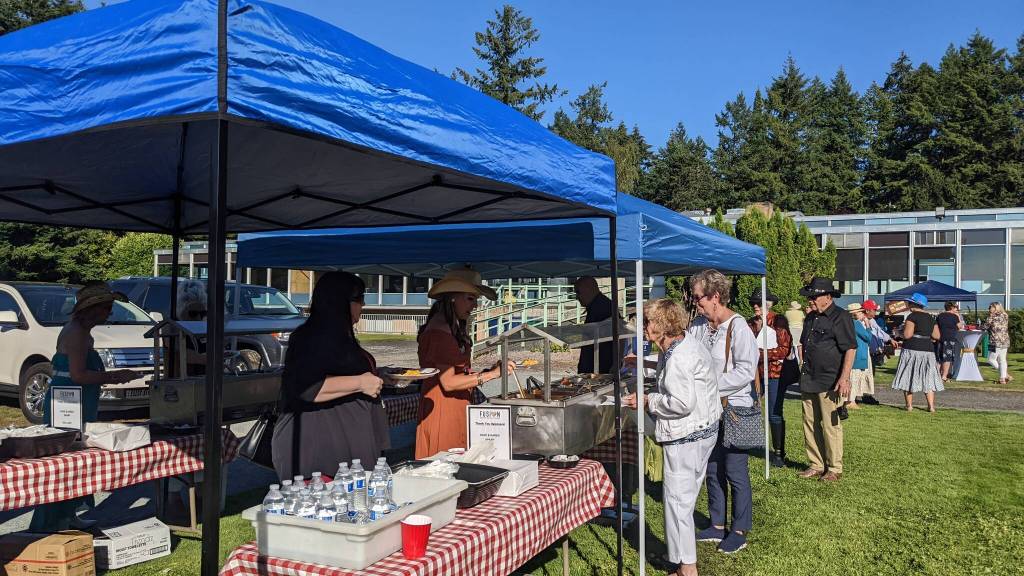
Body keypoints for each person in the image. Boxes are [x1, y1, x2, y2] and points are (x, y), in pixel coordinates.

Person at [624, 299, 720, 576]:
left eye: (647, 322)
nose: (643, 327)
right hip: (702, 430)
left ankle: (687, 568)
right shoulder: (681, 345)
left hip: (687, 435)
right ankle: (682, 561)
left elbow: (682, 402)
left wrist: (648, 400)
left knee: (678, 503)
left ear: (663, 326)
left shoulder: (679, 356)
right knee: (682, 501)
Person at [33, 282, 138, 531]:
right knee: (64, 461)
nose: (109, 313)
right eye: (106, 308)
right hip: (68, 405)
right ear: (92, 309)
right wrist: (115, 376)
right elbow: (78, 374)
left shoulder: (79, 330)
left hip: (76, 402)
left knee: (74, 458)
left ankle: (67, 515)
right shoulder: (77, 333)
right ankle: (50, 523)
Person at [272, 272, 390, 481]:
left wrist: (378, 376)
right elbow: (307, 388)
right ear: (339, 302)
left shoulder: (340, 335)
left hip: (346, 444)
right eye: (359, 298)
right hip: (320, 451)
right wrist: (360, 383)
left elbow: (342, 373)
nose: (363, 305)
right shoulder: (310, 338)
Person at [687, 270, 757, 554]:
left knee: (735, 470)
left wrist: (710, 385)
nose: (696, 303)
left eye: (698, 298)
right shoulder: (698, 326)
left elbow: (746, 371)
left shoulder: (739, 327)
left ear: (715, 296)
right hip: (707, 408)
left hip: (734, 408)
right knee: (712, 467)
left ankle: (739, 529)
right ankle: (717, 524)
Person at [416, 268, 514, 459]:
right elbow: (449, 382)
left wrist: (490, 371)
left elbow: (458, 372)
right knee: (445, 465)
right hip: (443, 411)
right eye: (470, 299)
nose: (475, 305)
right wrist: (492, 374)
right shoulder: (439, 332)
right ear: (452, 297)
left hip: (456, 407)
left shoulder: (450, 326)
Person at [797, 277, 855, 483]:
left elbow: (850, 348)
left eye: (814, 296)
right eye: (810, 297)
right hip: (809, 377)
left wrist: (844, 378)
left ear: (828, 297)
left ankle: (834, 468)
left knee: (831, 426)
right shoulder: (810, 318)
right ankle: (816, 464)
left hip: (830, 380)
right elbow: (803, 344)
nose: (811, 300)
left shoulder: (841, 317)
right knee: (809, 422)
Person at [747, 289, 792, 468]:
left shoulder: (778, 321)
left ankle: (779, 453)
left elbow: (784, 349)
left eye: (758, 303)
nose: (755, 306)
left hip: (775, 374)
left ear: (768, 304)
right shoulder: (749, 323)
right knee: (749, 407)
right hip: (754, 374)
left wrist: (759, 354)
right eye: (753, 303)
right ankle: (747, 444)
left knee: (774, 413)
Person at [890, 293, 943, 412]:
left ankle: (909, 406)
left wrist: (899, 333)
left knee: (908, 375)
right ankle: (931, 406)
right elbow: (937, 335)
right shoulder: (931, 317)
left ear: (913, 304)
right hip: (928, 350)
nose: (908, 305)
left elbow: (907, 335)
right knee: (928, 377)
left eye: (909, 303)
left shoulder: (912, 316)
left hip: (912, 349)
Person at [573, 276, 617, 374]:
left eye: (578, 292)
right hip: (595, 367)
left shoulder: (603, 307)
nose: (577, 297)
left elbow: (618, 337)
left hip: (600, 367)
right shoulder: (597, 305)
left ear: (588, 289)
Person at [860, 299, 890, 405]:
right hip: (863, 352)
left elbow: (879, 332)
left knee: (870, 374)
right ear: (867, 310)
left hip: (872, 353)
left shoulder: (872, 320)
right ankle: (858, 396)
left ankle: (867, 395)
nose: (875, 312)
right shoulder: (861, 321)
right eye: (874, 310)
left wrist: (890, 339)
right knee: (860, 375)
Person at [844, 303, 872, 410]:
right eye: (862, 312)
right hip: (858, 353)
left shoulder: (848, 322)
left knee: (851, 377)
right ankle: (850, 401)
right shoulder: (856, 324)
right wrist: (868, 325)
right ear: (857, 313)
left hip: (851, 353)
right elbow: (868, 337)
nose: (863, 314)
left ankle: (849, 400)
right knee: (854, 378)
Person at [982, 301, 1011, 385]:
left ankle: (1005, 375)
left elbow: (985, 327)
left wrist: (980, 326)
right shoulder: (1005, 315)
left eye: (990, 307)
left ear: (995, 308)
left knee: (990, 359)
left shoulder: (992, 317)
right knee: (1002, 360)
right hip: (1005, 340)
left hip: (994, 341)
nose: (989, 309)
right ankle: (1003, 379)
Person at [935, 302, 965, 382]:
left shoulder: (940, 315)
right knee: (947, 358)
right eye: (955, 307)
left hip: (940, 338)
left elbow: (936, 326)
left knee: (939, 358)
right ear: (952, 307)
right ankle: (944, 376)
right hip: (949, 339)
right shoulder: (954, 316)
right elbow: (960, 326)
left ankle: (936, 376)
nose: (957, 309)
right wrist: (958, 317)